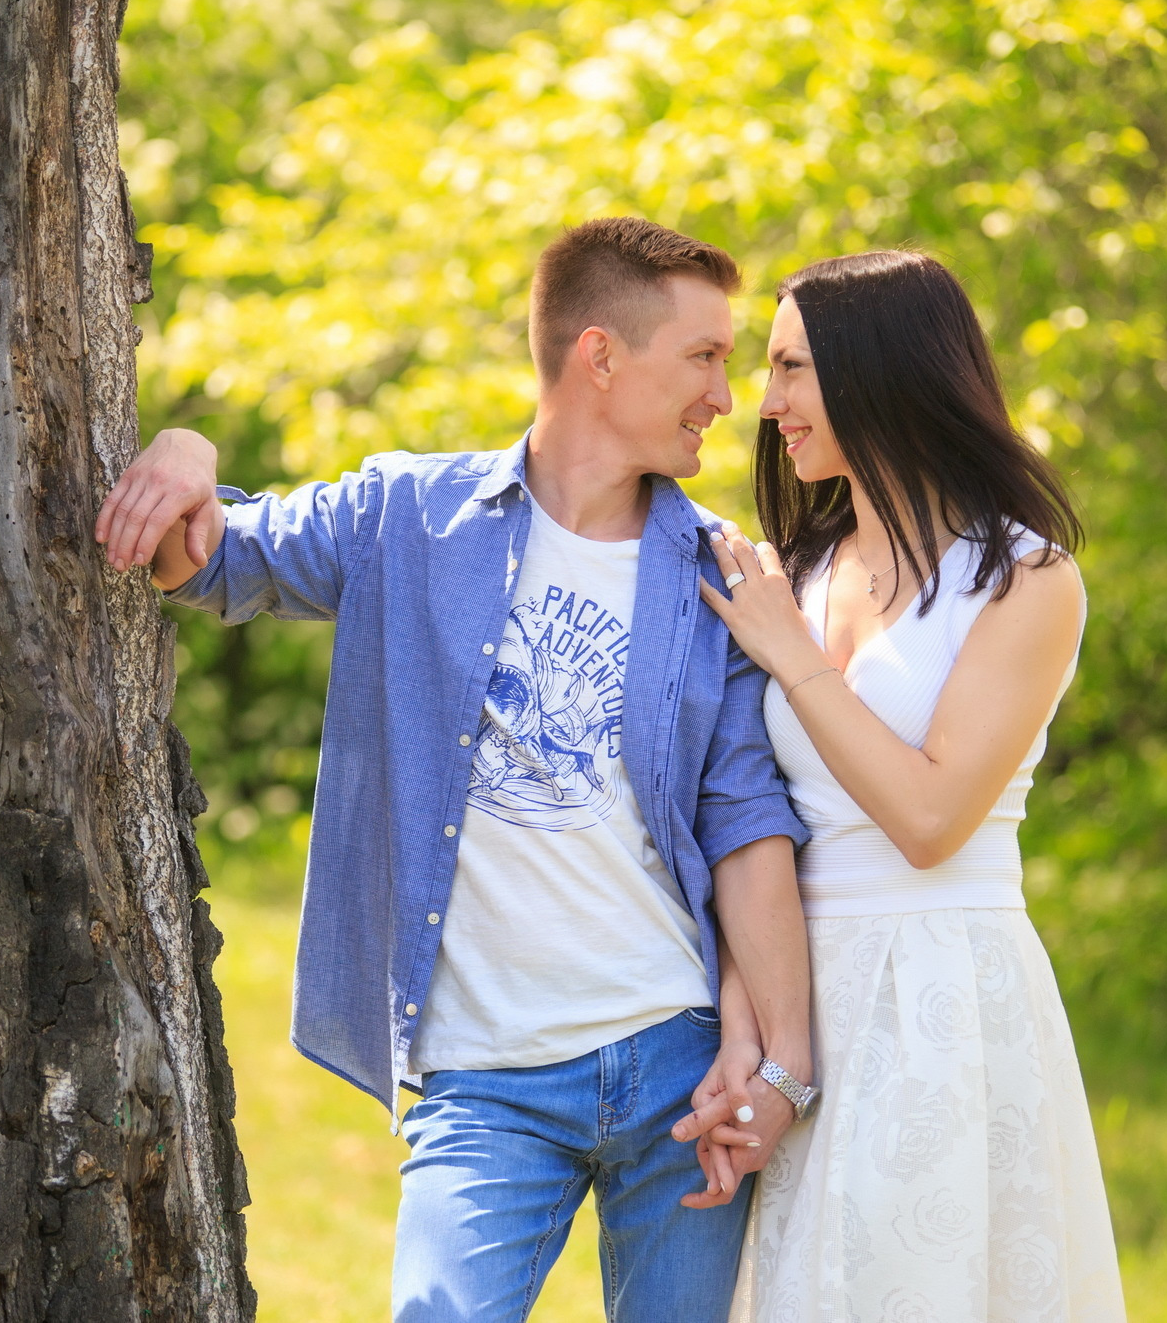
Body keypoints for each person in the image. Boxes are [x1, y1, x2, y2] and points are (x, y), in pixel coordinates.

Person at [94, 217, 818, 1323]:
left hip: (674, 1068)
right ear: (600, 355)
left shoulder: (713, 573)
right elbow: (210, 557)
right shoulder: (408, 516)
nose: (727, 396)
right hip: (484, 1083)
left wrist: (773, 1067)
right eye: (704, 358)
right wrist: (187, 446)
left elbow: (745, 825)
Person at [677, 250, 1129, 1320]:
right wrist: (748, 1032)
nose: (765, 401)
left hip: (944, 997)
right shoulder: (793, 572)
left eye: (791, 368)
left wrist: (792, 657)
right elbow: (744, 821)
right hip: (802, 993)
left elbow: (928, 819)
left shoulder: (1025, 578)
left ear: (879, 369)